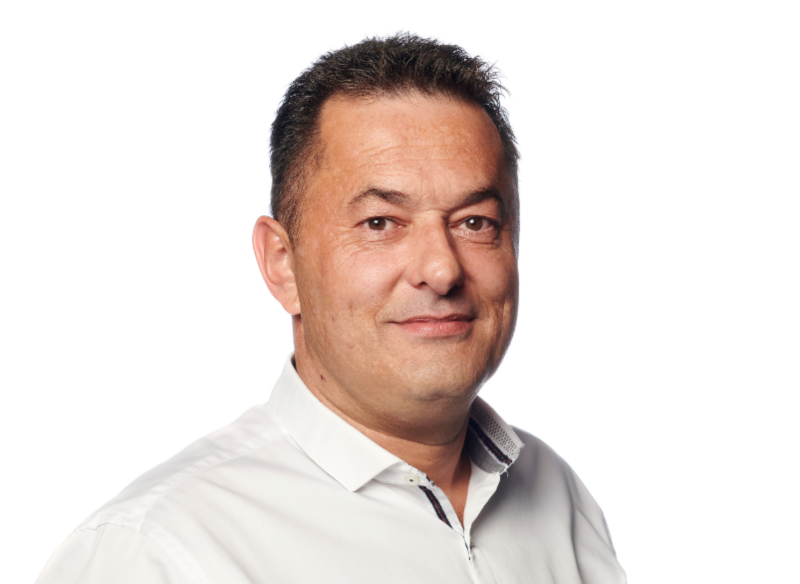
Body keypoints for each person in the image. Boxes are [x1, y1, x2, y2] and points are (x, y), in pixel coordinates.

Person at [37, 33, 626, 584]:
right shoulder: (154, 554)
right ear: (282, 263)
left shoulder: (558, 498)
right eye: (380, 223)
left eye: (475, 222)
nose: (442, 269)